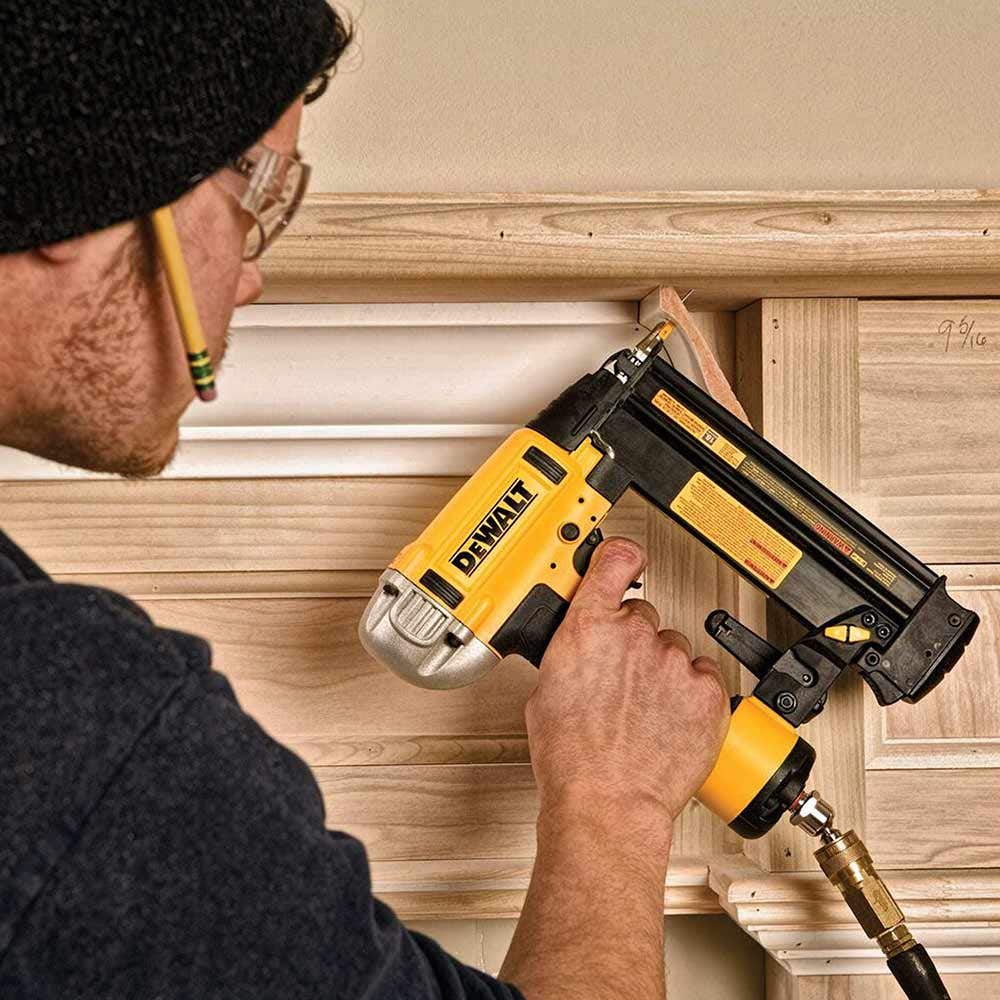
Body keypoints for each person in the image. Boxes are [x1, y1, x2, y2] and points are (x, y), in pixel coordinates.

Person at [0, 3, 730, 998]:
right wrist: (618, 801)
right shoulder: (68, 724)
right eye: (256, 194)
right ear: (92, 181)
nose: (250, 276)